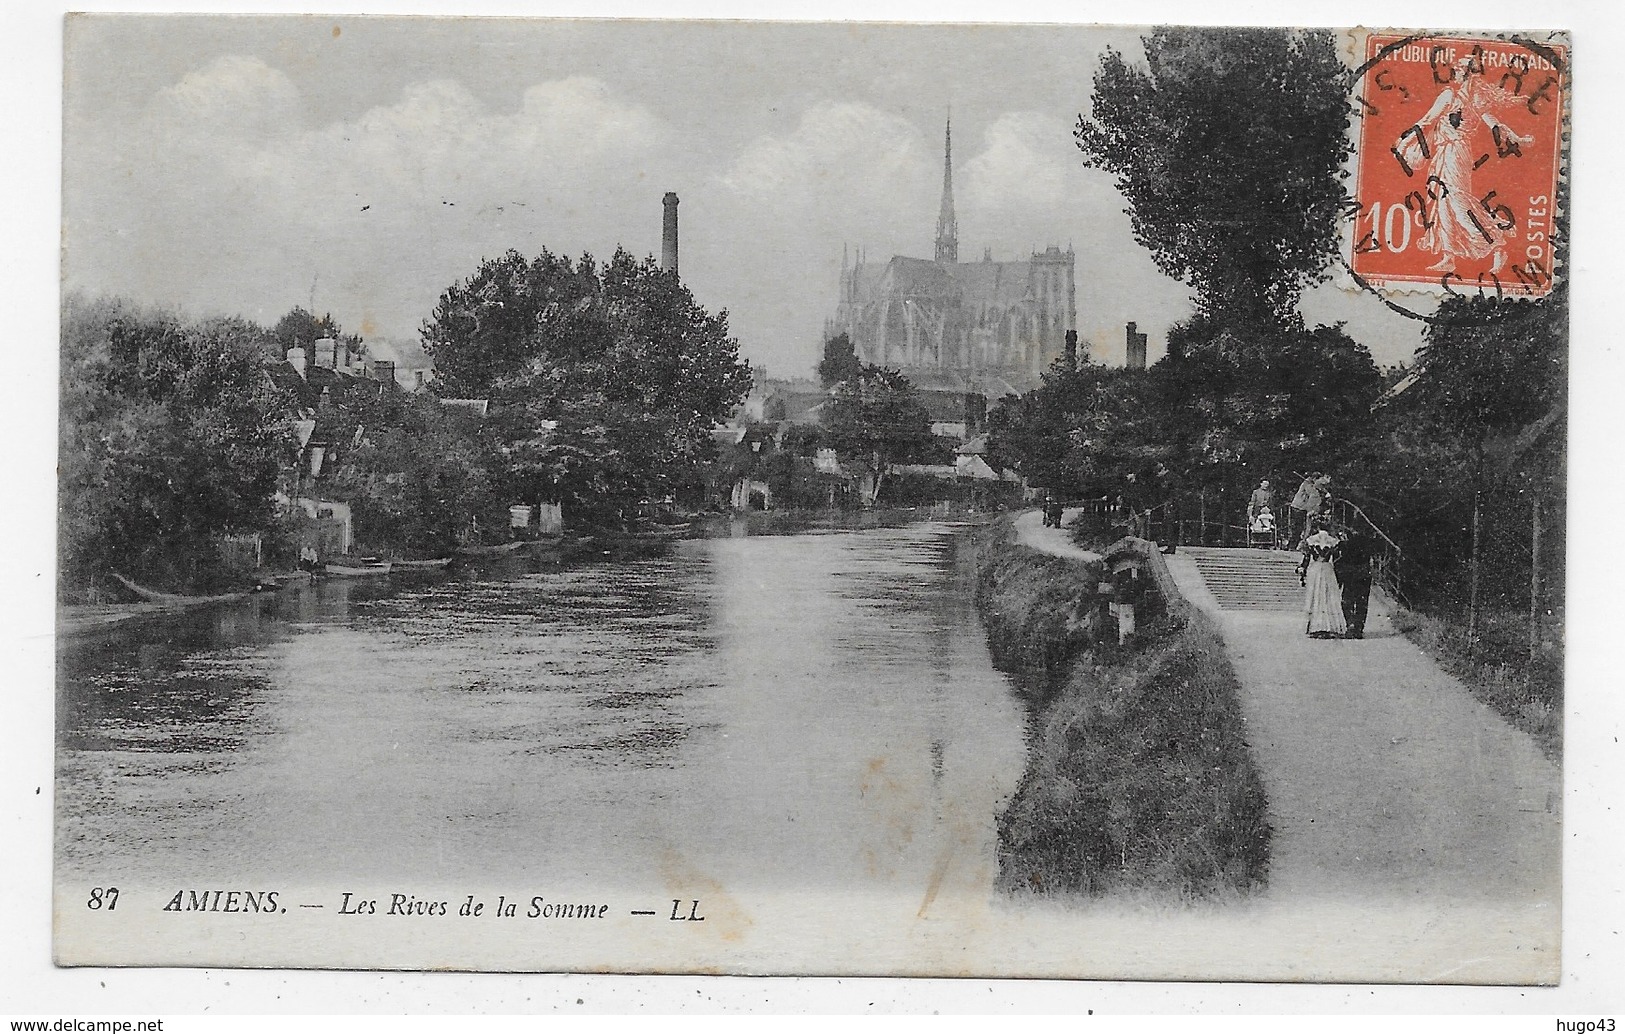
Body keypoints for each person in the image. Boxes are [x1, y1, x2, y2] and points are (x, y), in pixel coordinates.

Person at [1399, 56, 1536, 276]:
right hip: (1445, 153)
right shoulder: (1461, 96)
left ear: (1468, 72)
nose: (1454, 72)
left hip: (1456, 153)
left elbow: (1427, 121)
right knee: (1441, 203)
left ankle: (1496, 244)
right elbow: (1493, 125)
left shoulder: (1460, 96)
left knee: (1458, 201)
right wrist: (1518, 139)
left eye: (1459, 69)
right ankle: (1448, 257)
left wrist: (1404, 142)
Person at [1296, 515, 1346, 639]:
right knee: (1329, 596)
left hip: (1316, 569)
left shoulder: (1311, 540)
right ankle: (1330, 626)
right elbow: (1337, 558)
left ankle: (1315, 626)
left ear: (1317, 526)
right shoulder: (1333, 541)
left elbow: (1307, 558)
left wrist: (1302, 570)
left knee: (1316, 595)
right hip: (1327, 569)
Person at [1335, 525, 1375, 639]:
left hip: (1350, 575)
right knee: (1362, 602)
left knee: (1347, 600)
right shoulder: (1368, 542)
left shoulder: (1345, 544)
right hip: (1363, 574)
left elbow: (1340, 559)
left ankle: (1350, 624)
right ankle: (1359, 628)